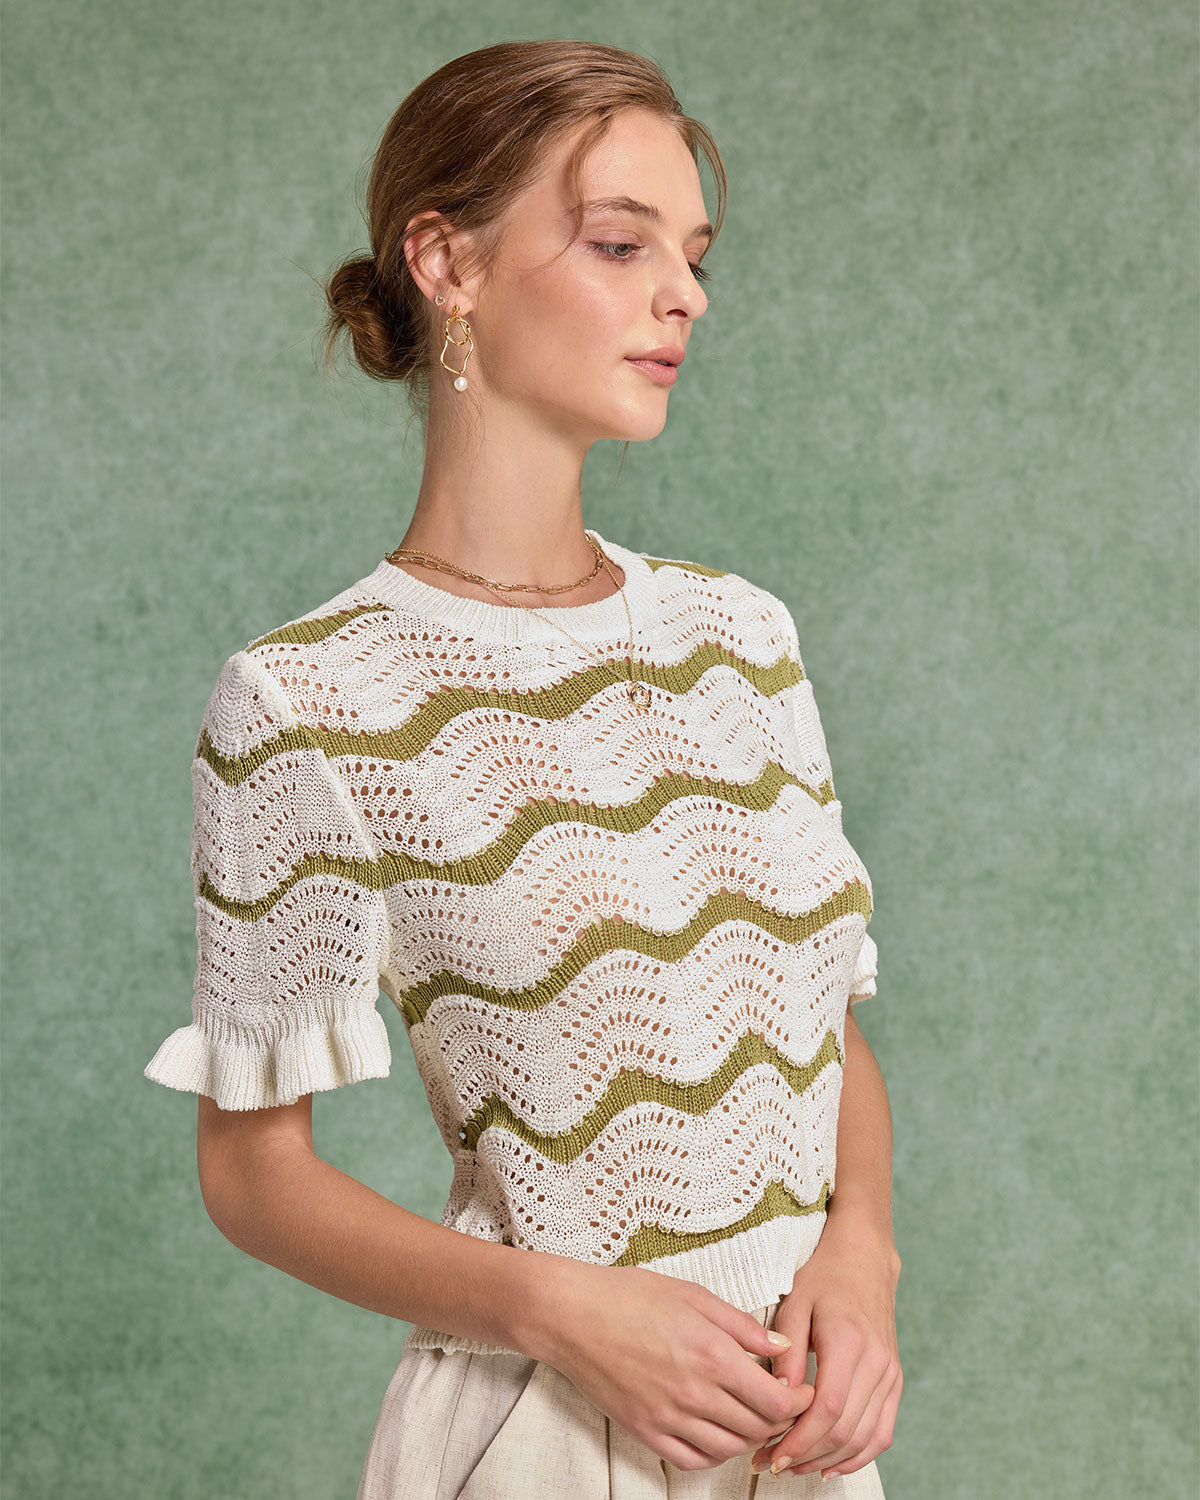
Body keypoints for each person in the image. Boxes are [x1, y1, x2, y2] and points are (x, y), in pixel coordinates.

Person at [143, 38, 902, 1499]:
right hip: (536, 1434)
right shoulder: (311, 698)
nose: (685, 294)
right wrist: (562, 1310)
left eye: (693, 255)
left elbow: (823, 1031)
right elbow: (252, 1172)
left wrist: (861, 1256)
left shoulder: (742, 639)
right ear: (447, 261)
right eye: (621, 244)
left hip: (793, 1430)